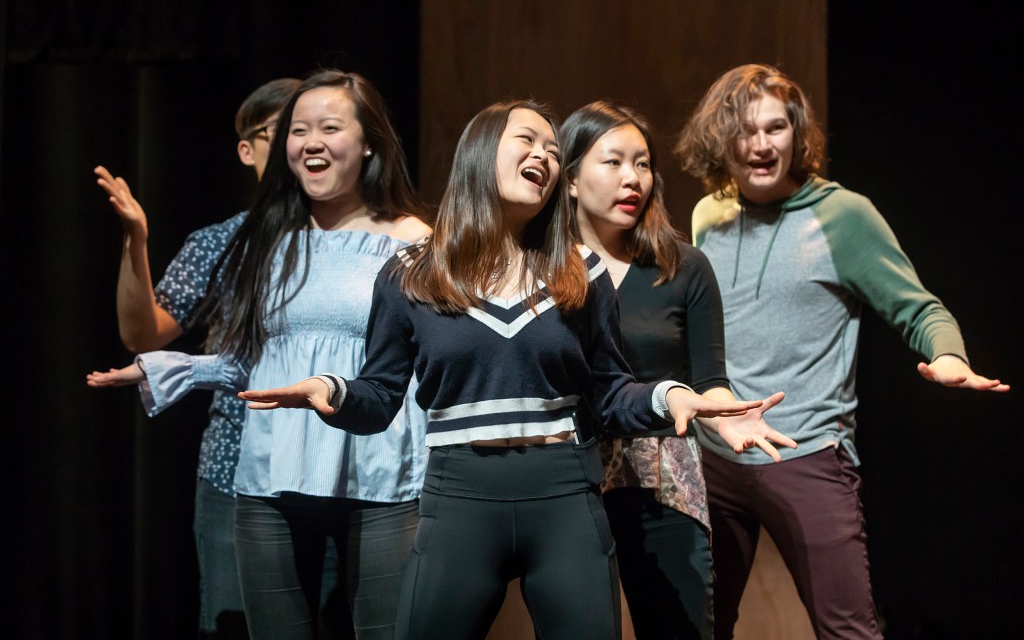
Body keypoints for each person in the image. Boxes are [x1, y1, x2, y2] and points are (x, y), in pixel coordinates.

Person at [234, 99, 786, 640]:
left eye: (552, 147)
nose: (544, 155)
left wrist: (671, 398)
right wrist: (330, 391)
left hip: (565, 497)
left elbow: (612, 392)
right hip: (460, 499)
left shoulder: (581, 270)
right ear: (479, 153)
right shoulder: (413, 273)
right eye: (527, 140)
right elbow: (380, 396)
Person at [89, 69, 433, 640]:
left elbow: (425, 364)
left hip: (379, 474)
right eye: (299, 131)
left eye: (330, 127)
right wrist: (173, 367)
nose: (311, 142)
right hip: (274, 469)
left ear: (369, 140)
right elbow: (259, 361)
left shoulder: (415, 241)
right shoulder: (261, 239)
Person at [673, 63, 1009, 640]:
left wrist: (948, 356)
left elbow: (920, 308)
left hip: (807, 453)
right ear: (719, 139)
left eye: (775, 128)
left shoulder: (843, 216)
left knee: (847, 630)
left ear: (797, 135)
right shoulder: (710, 214)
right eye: (744, 131)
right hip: (715, 458)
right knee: (699, 627)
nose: (759, 145)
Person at [560, 100, 796, 640]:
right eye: (614, 162)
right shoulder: (540, 271)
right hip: (569, 474)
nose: (633, 178)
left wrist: (724, 415)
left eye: (643, 164)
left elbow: (708, 378)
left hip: (663, 472)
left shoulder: (682, 266)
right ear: (570, 179)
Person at [94, 76, 301, 639]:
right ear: (247, 148)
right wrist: (136, 243)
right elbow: (144, 333)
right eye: (282, 129)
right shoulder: (222, 242)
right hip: (235, 471)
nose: (298, 144)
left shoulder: (357, 240)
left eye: (312, 129)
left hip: (336, 472)